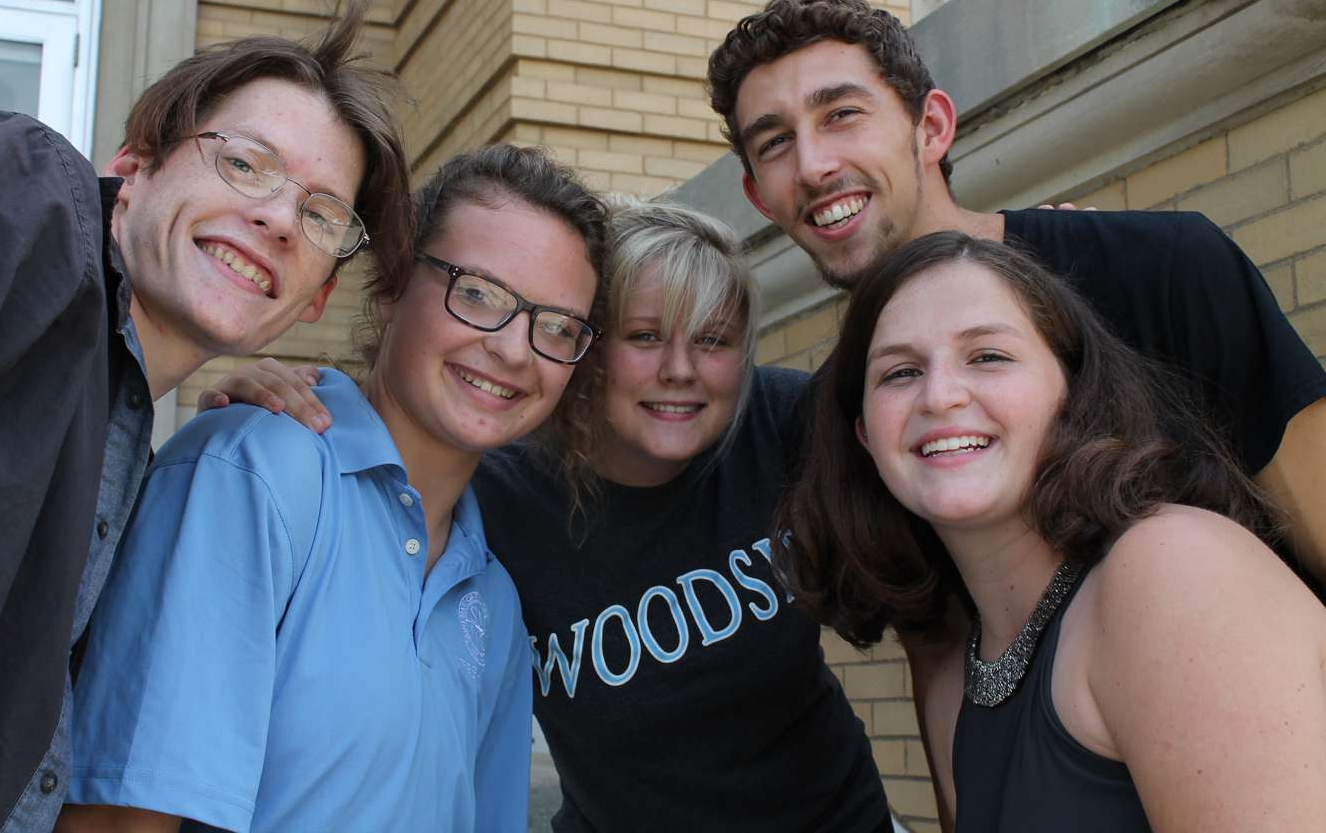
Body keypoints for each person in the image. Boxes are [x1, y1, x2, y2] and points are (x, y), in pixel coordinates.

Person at [0, 0, 413, 833]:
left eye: (321, 214)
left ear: (316, 297)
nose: (279, 217)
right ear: (134, 165)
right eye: (245, 163)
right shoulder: (29, 196)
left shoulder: (131, 440)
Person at [200, 197, 893, 832]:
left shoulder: (780, 423)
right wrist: (274, 388)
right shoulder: (500, 489)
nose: (680, 369)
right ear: (584, 351)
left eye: (712, 341)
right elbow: (386, 446)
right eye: (645, 336)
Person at [57, 145, 610, 832]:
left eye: (556, 326)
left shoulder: (492, 598)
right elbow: (117, 819)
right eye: (476, 294)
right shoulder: (252, 474)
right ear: (391, 288)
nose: (514, 349)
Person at [705, 0, 1326, 584]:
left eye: (842, 114)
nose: (812, 164)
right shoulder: (846, 411)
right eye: (776, 142)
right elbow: (944, 651)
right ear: (759, 195)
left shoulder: (1160, 268)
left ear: (931, 128)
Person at [777, 231, 1326, 832]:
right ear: (864, 434)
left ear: (1071, 388)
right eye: (900, 372)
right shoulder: (959, 682)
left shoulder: (1173, 569)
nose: (939, 395)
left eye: (988, 356)